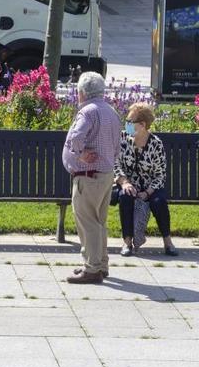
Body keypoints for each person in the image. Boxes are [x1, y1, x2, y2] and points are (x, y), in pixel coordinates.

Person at [62, 72, 121, 284]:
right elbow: (117, 146)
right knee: (99, 222)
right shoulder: (111, 112)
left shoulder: (88, 111)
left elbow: (76, 138)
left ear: (83, 92)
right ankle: (100, 264)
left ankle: (92, 269)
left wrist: (80, 154)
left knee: (88, 222)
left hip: (88, 176)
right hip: (105, 175)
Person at [115, 102, 177, 257]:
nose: (126, 124)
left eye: (130, 122)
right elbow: (115, 164)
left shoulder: (156, 144)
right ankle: (127, 242)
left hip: (151, 187)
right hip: (129, 184)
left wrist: (148, 192)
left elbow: (160, 174)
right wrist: (124, 182)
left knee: (158, 202)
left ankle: (168, 241)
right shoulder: (123, 138)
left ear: (142, 124)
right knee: (125, 196)